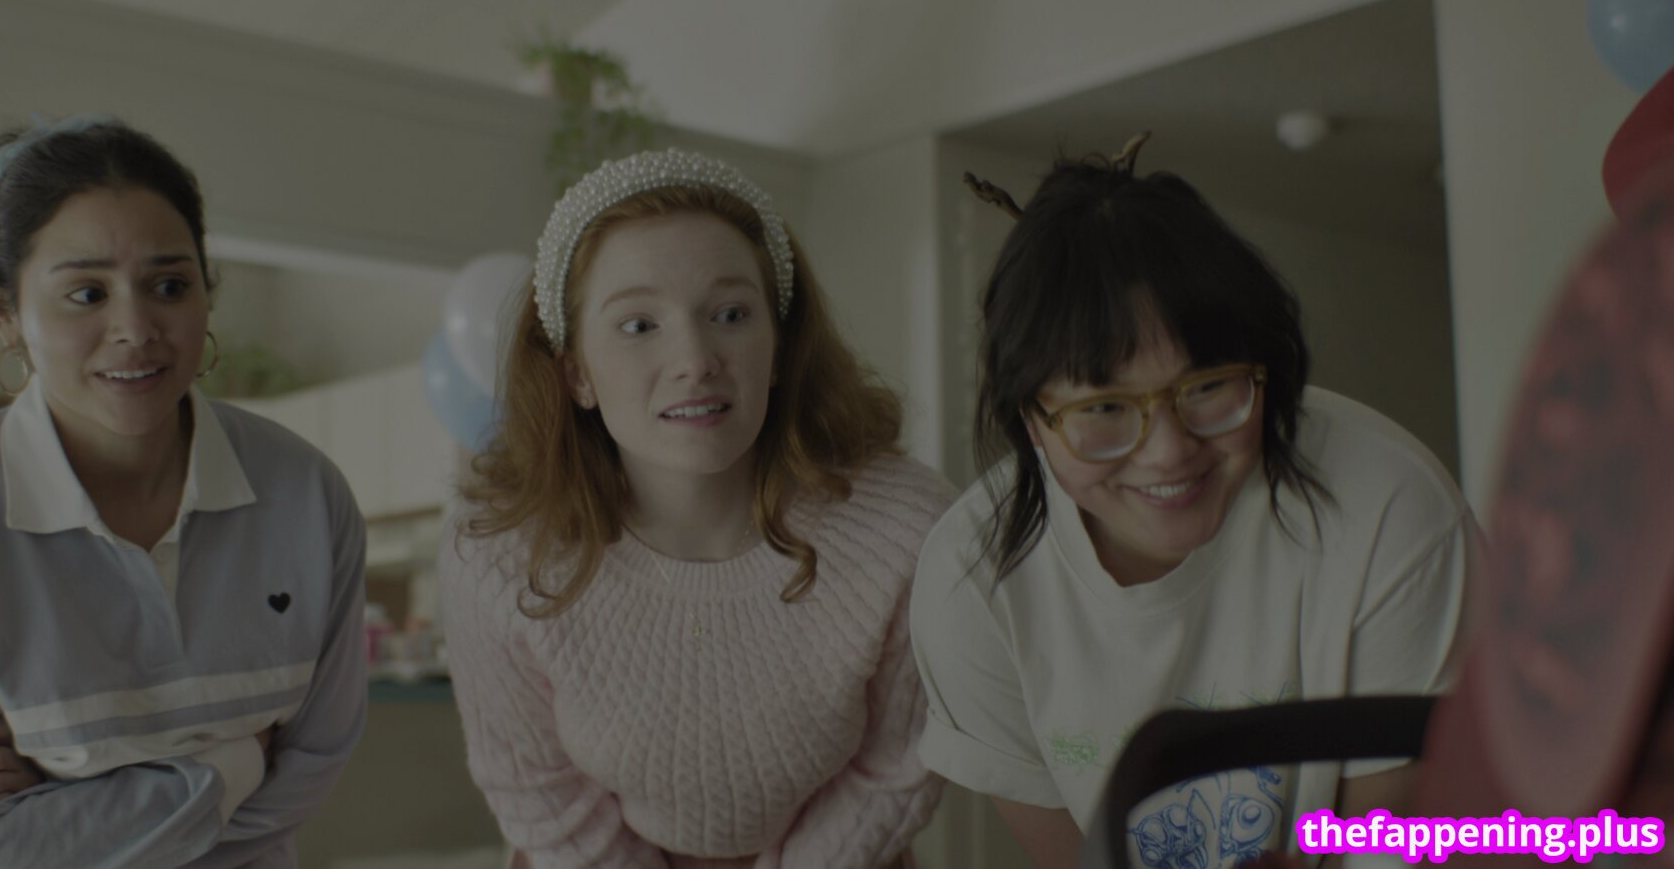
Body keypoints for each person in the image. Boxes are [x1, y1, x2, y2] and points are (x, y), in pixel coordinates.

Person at [912, 135, 1478, 869]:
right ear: (1032, 420)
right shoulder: (972, 583)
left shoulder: (1385, 505)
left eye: (1208, 387)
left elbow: (1396, 844)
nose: (1169, 451)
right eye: (1105, 408)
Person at [0, 116, 366, 868]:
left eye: (169, 286)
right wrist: (230, 765)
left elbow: (310, 772)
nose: (135, 327)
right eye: (86, 293)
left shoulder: (307, 495)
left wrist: (64, 798)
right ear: (5, 313)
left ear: (206, 292)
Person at [440, 148, 953, 868]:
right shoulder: (496, 556)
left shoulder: (910, 529)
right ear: (576, 373)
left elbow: (900, 764)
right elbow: (535, 787)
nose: (695, 359)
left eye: (731, 313)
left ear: (779, 347)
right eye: (638, 325)